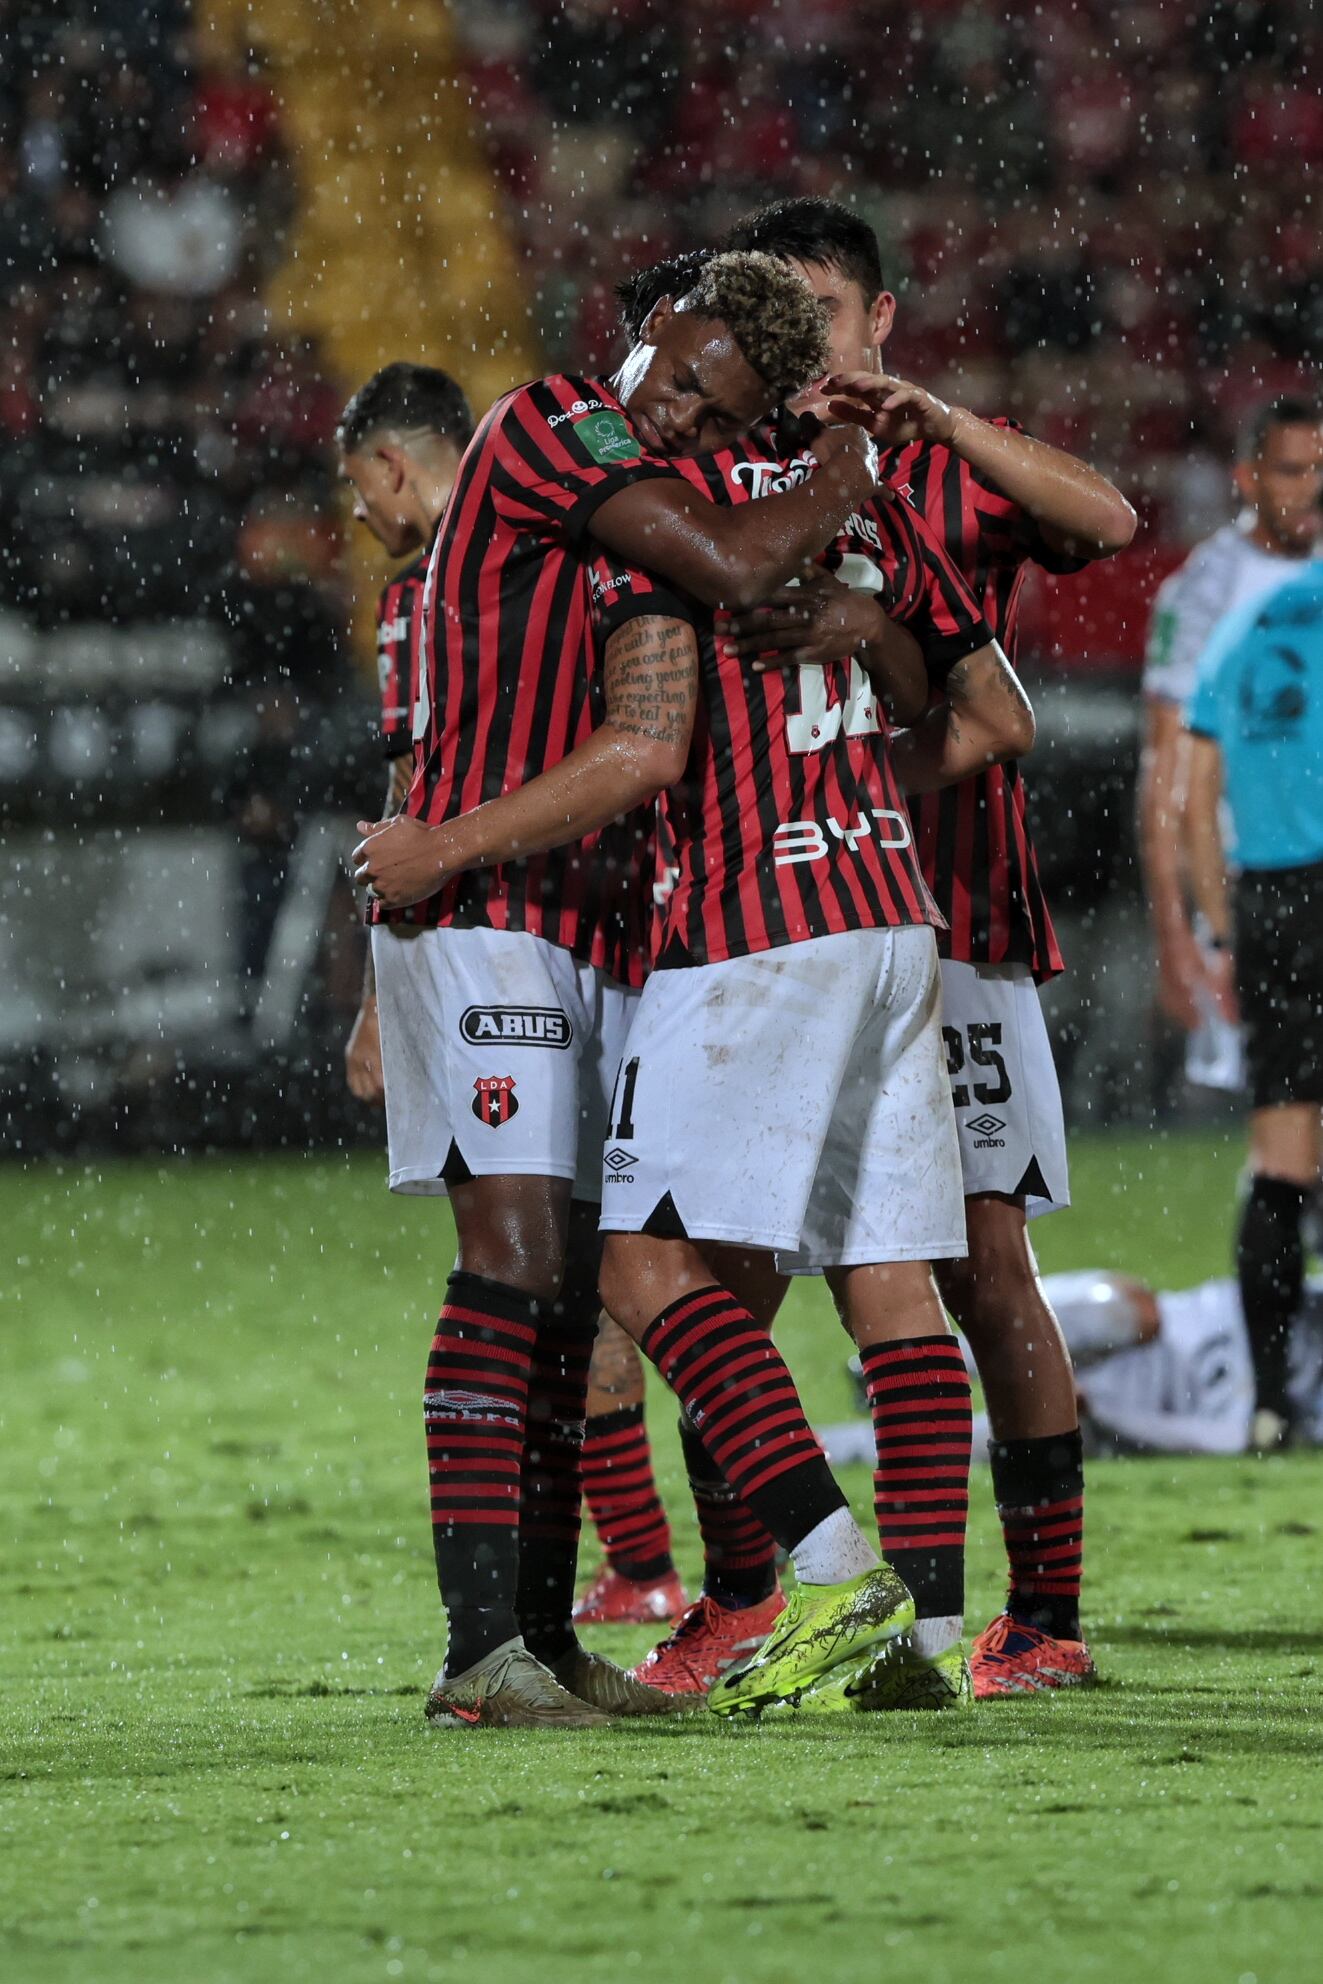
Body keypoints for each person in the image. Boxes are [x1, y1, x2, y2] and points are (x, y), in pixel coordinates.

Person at [357, 359, 1036, 1717]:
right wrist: (858, 499)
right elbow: (947, 700)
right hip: (803, 915)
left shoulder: (664, 524)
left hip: (703, 929)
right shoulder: (789, 501)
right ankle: (878, 1613)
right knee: (812, 1280)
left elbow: (659, 734)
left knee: (621, 1274)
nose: (674, 423)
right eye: (674, 393)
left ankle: (727, 1605)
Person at [577, 199, 1136, 1699]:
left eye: (682, 352)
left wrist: (799, 807)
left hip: (794, 926)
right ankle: (909, 1631)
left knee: (669, 1264)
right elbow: (976, 699)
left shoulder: (696, 489)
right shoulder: (863, 489)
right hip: (888, 913)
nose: (656, 376)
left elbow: (1080, 560)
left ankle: (871, 1588)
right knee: (873, 1272)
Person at [1184, 557, 1323, 1450]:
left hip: (1271, 902)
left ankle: (1270, 1404)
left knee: (1281, 1156)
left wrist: (1224, 933)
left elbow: (1191, 800)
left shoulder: (1240, 624)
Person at [1139, 399, 1322, 1037]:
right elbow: (1166, 773)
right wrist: (1176, 935)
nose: (1311, 489)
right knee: (1284, 1109)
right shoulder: (1204, 592)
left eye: (1320, 471)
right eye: (1291, 471)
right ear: (1247, 478)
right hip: (1257, 888)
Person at [336, 362, 475, 1106]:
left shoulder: (414, 598)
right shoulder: (561, 552)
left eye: (355, 484)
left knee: (497, 1213)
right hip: (609, 917)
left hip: (479, 932)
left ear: (392, 465)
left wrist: (377, 998)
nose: (357, 512)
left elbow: (408, 795)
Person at [820, 1267, 1323, 1468]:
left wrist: (1103, 1410)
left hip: (1130, 1412)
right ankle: (901, 1364)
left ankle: (821, 1450)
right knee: (1127, 1309)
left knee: (1035, 1430)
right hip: (1149, 1332)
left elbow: (1233, 1438)